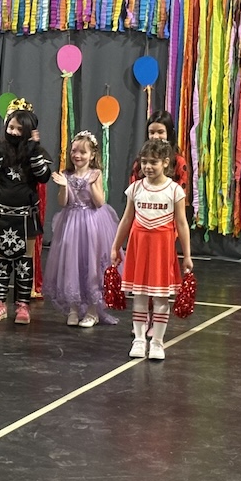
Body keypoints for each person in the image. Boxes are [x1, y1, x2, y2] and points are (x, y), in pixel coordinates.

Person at [111, 139, 194, 361]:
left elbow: (182, 223)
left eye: (153, 162)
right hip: (139, 247)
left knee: (160, 297)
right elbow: (126, 219)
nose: (147, 166)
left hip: (162, 249)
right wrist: (116, 246)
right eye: (144, 162)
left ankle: (157, 342)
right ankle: (139, 340)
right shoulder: (136, 188)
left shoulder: (174, 190)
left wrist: (187, 255)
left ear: (166, 162)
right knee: (139, 295)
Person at [0, 103, 53, 324]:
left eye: (19, 129)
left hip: (25, 216)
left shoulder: (36, 151)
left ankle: (23, 305)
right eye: (11, 127)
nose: (13, 132)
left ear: (28, 131)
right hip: (2, 214)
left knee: (24, 262)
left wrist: (34, 152)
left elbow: (43, 177)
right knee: (1, 261)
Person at [43, 130, 121, 328]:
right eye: (74, 151)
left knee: (92, 264)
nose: (77, 155)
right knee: (72, 264)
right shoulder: (66, 174)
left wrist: (91, 184)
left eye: (83, 152)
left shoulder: (95, 174)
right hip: (71, 223)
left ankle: (93, 311)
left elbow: (99, 202)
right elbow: (63, 202)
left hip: (92, 223)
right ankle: (74, 309)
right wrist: (64, 186)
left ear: (92, 155)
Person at [130, 110, 189, 189]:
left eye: (160, 132)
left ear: (169, 134)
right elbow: (133, 190)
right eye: (152, 132)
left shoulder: (178, 161)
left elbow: (181, 192)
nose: (155, 137)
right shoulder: (140, 161)